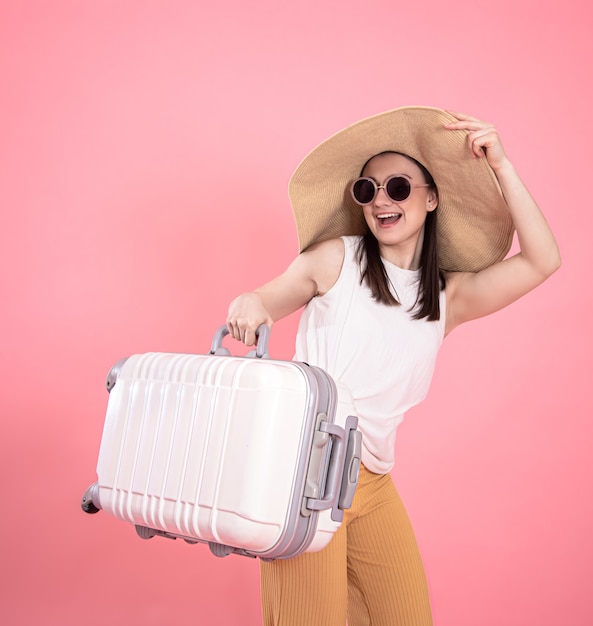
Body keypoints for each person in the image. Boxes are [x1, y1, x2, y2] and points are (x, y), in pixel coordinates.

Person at [226, 107, 560, 626]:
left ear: (431, 198)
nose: (381, 199)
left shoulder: (447, 297)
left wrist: (503, 167)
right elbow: (268, 297)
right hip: (305, 476)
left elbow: (543, 259)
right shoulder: (334, 259)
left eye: (398, 186)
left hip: (374, 481)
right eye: (368, 190)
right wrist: (249, 302)